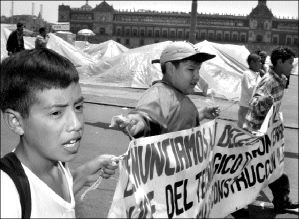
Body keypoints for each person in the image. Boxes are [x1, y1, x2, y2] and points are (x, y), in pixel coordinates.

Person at [0, 48, 118, 218]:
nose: (76, 124)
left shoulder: (58, 162)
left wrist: (85, 173)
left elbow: (52, 199)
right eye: (56, 113)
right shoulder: (7, 194)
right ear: (16, 122)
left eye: (78, 107)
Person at [110, 41, 220, 138]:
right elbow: (148, 115)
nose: (197, 76)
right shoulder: (160, 93)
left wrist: (201, 113)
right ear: (171, 68)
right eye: (191, 69)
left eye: (198, 70)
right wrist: (136, 122)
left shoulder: (177, 95)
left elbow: (175, 121)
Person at [244, 47, 298, 214]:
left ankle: (281, 201)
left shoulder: (279, 77)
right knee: (260, 169)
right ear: (280, 62)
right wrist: (266, 101)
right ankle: (233, 201)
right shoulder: (269, 80)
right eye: (290, 63)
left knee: (270, 168)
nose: (292, 66)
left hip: (267, 130)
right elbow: (255, 103)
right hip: (258, 132)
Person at [237, 53, 262, 128]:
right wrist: (260, 81)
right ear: (252, 63)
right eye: (259, 61)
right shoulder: (247, 74)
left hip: (253, 107)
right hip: (246, 106)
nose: (261, 64)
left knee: (250, 128)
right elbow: (250, 89)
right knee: (243, 128)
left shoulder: (257, 74)